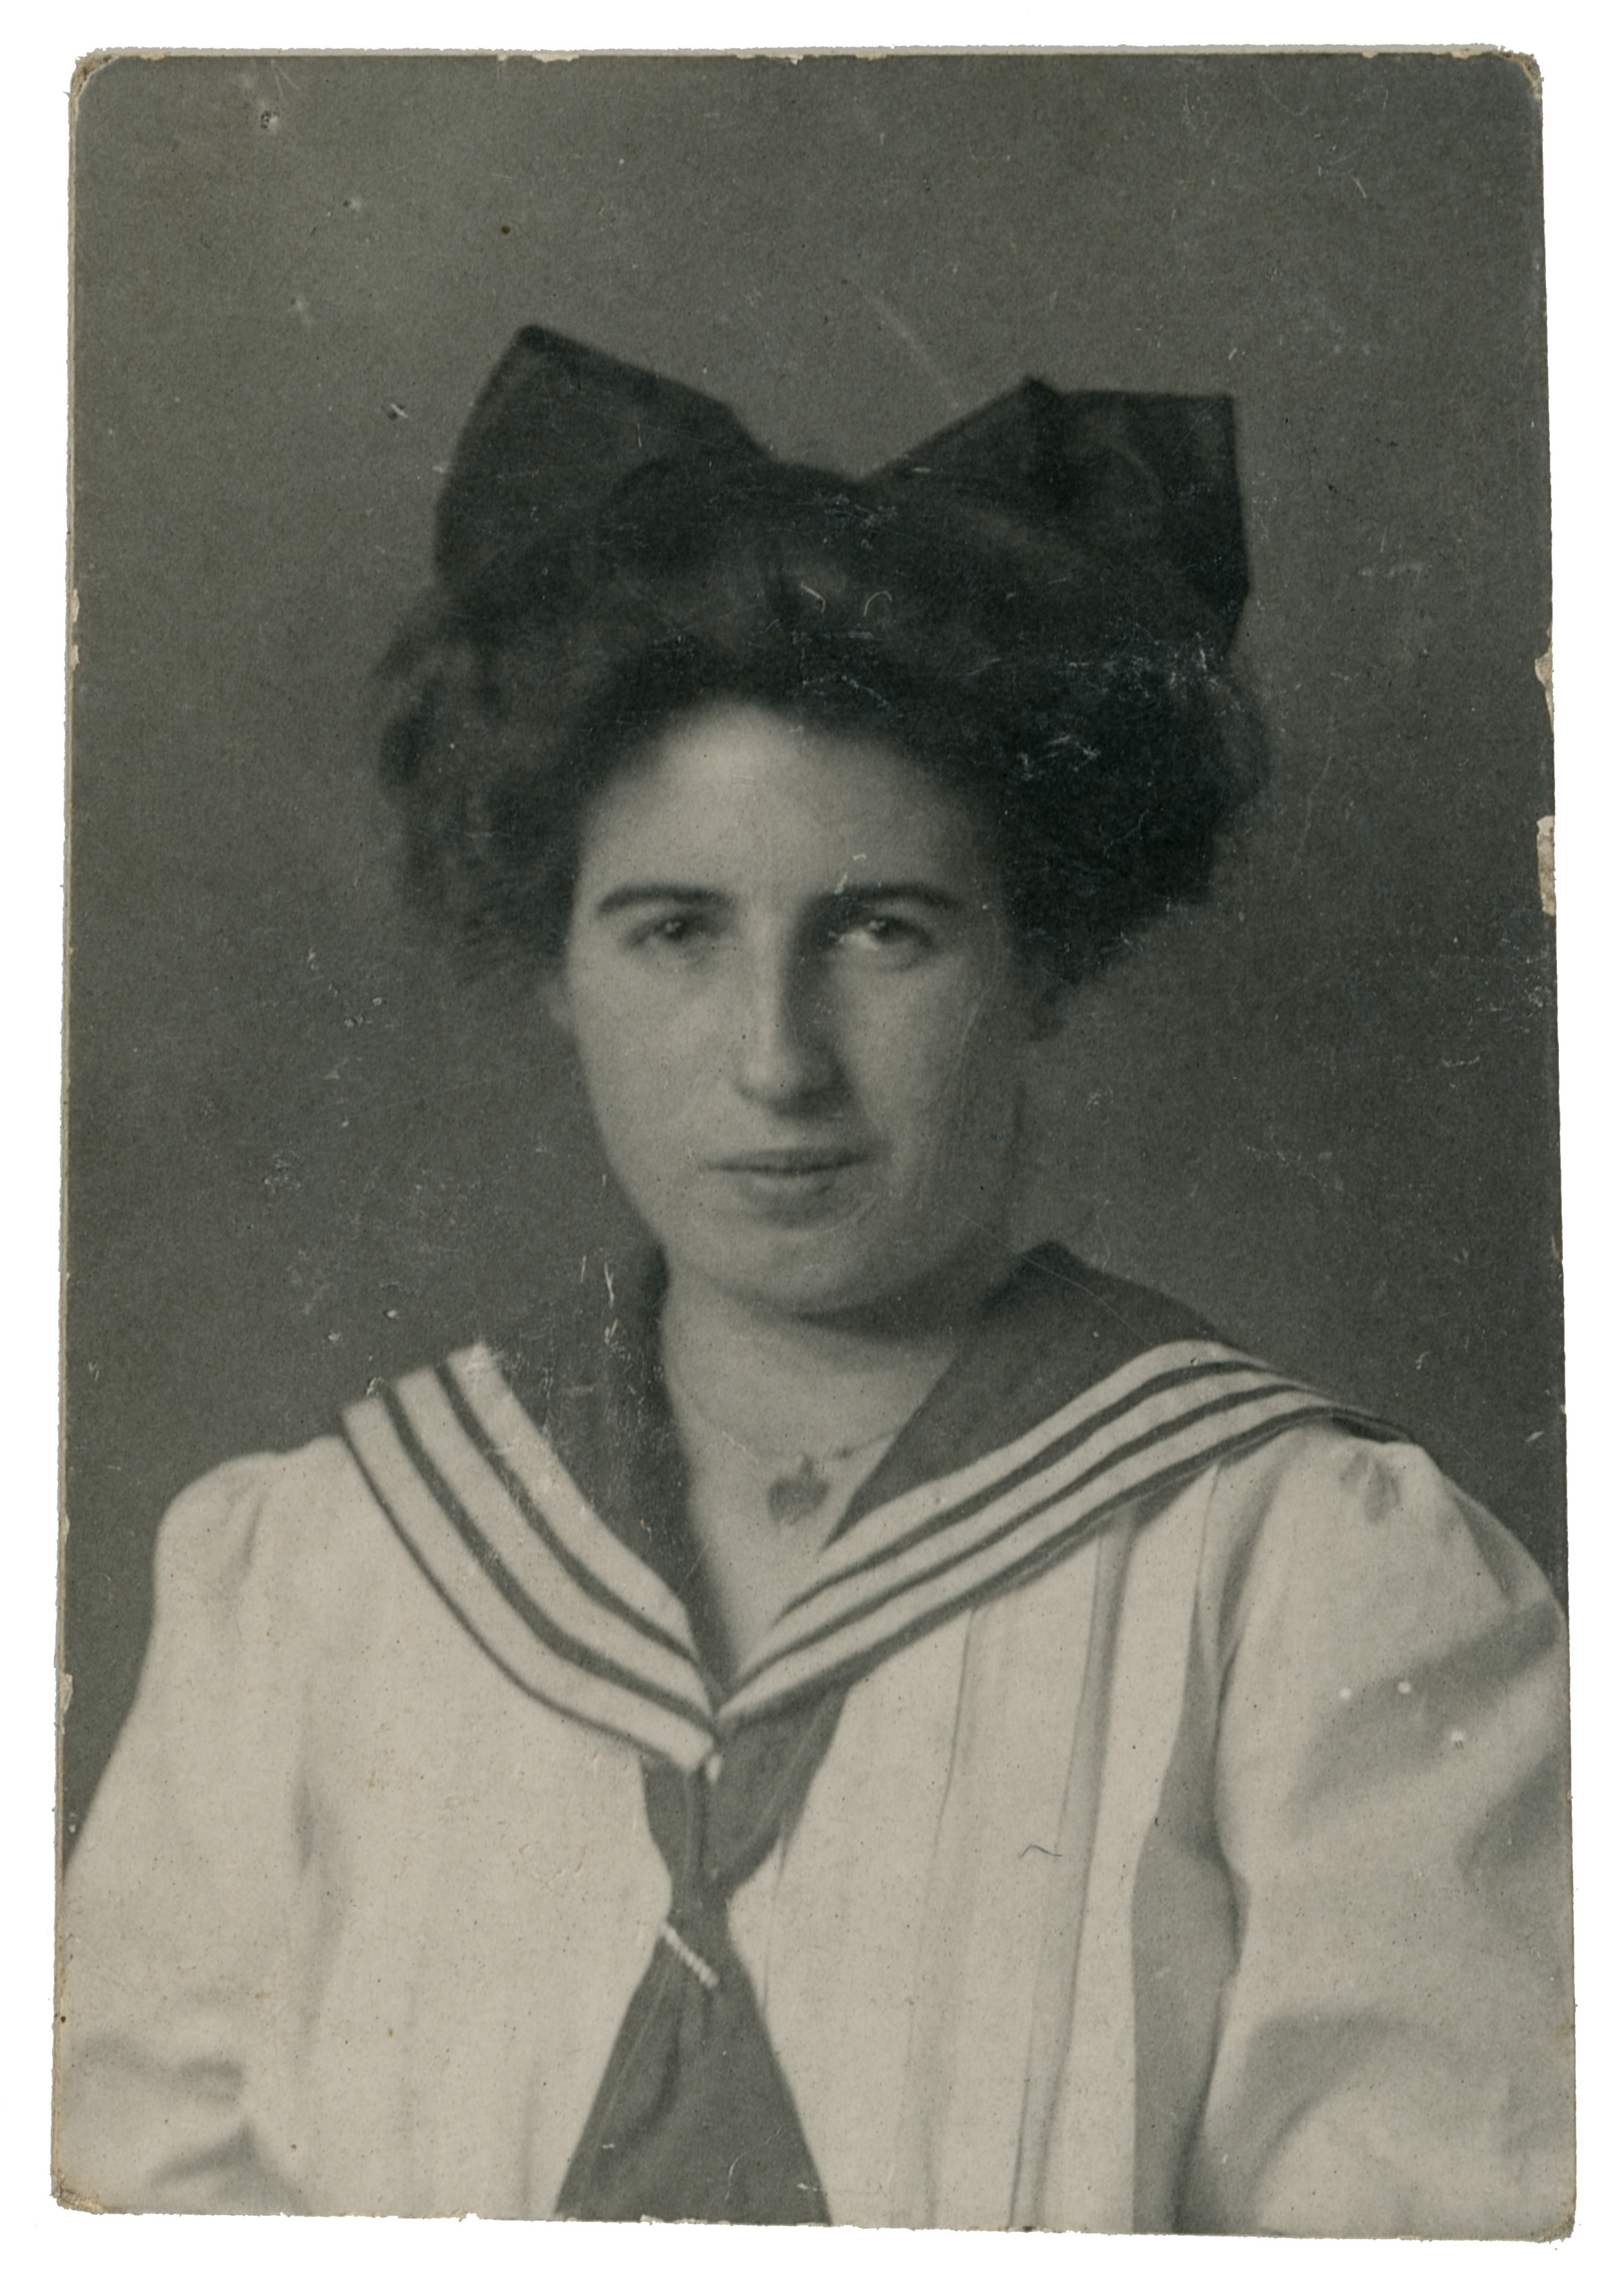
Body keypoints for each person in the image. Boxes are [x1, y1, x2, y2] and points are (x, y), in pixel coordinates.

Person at [56, 328, 1573, 2235]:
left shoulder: (1302, 1577)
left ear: (1041, 959)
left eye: (881, 930)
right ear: (557, 964)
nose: (776, 1060)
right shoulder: (318, 1575)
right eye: (673, 930)